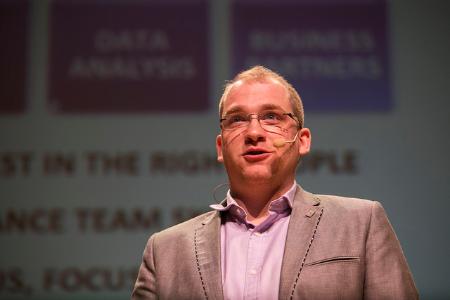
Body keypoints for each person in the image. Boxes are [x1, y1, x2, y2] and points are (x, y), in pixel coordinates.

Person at [132, 66, 418, 299]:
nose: (254, 132)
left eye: (271, 117)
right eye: (237, 120)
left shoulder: (360, 225)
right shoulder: (165, 251)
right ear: (220, 147)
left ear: (302, 140)